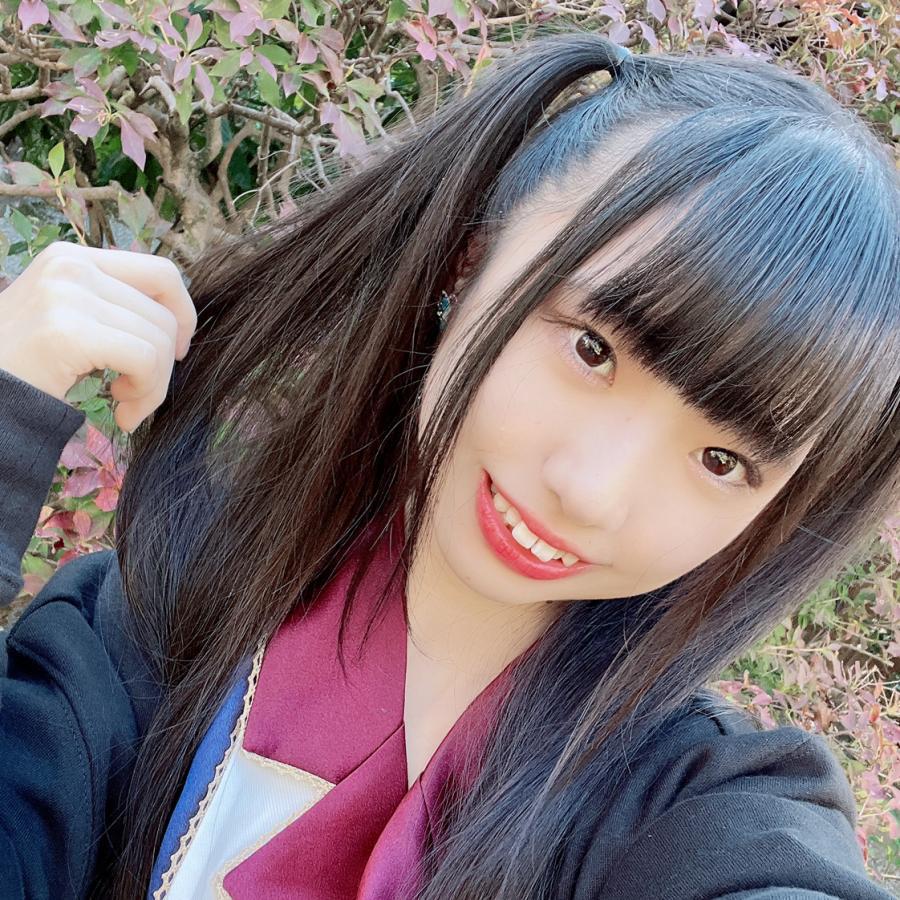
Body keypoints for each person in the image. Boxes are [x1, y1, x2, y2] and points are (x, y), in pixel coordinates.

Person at [0, 26, 897, 900]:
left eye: (723, 459)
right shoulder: (143, 629)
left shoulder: (692, 811)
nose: (593, 492)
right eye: (591, 350)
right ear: (468, 264)